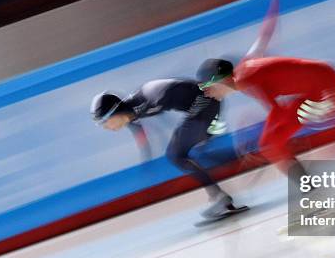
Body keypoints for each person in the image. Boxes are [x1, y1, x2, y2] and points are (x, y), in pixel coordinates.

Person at [90, 78, 241, 219]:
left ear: (114, 112)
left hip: (206, 101)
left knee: (175, 155)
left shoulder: (147, 96)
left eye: (104, 122)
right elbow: (144, 141)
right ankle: (237, 164)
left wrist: (212, 92)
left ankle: (219, 196)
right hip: (203, 106)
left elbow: (185, 89)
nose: (106, 128)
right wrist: (147, 168)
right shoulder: (130, 117)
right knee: (194, 155)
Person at [196, 57, 335, 186]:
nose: (207, 93)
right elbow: (279, 111)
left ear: (220, 81)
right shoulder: (242, 71)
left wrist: (264, 139)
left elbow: (279, 111)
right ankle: (311, 189)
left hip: (326, 91)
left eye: (206, 87)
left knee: (270, 145)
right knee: (269, 145)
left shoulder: (244, 80)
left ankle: (313, 191)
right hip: (323, 81)